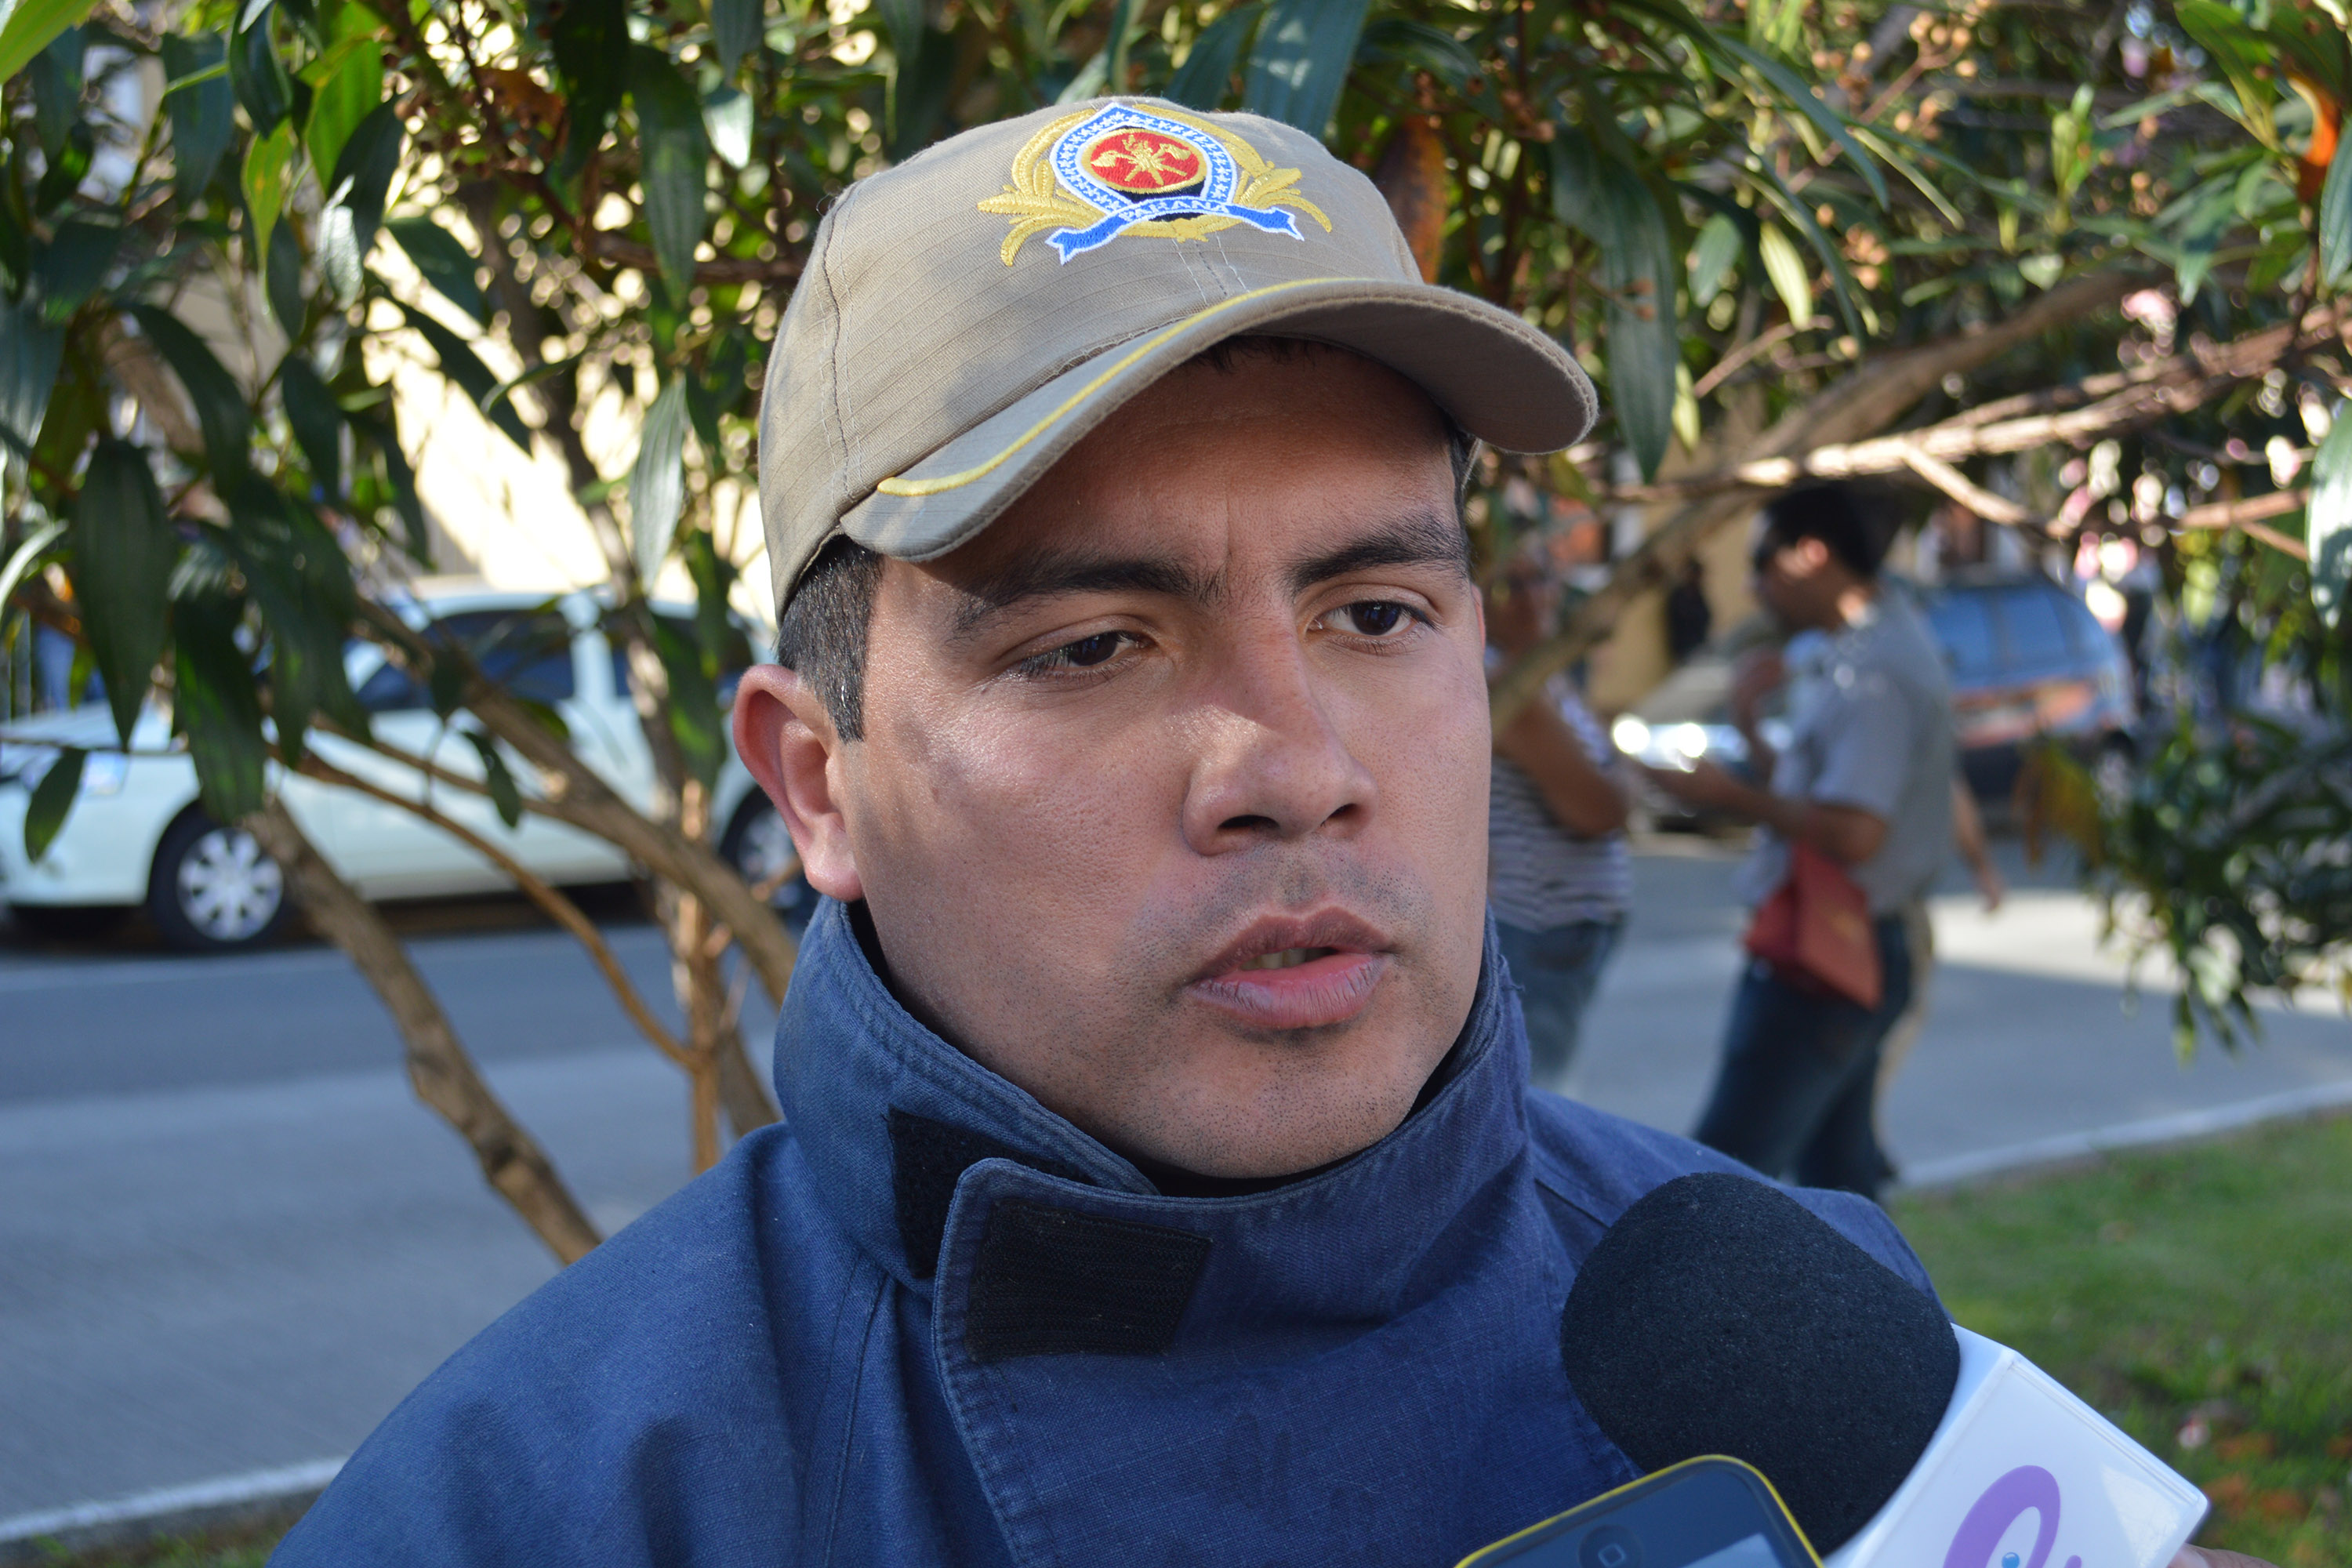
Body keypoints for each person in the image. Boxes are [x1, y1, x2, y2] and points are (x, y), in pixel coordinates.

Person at [266, 106, 2256, 1568]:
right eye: (1090, 645)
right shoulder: (538, 1506)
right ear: (817, 784)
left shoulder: (1812, 1356)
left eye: (1374, 612)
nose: (1293, 766)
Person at [1644, 485, 1955, 1202]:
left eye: (1761, 565)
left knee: (1723, 1183)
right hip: (1848, 944)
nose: (1753, 590)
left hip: (1829, 954)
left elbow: (1854, 832)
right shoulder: (1866, 645)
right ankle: (1868, 1282)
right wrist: (1751, 728)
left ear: (1811, 555)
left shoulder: (1876, 668)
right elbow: (1828, 796)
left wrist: (1726, 796)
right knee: (1838, 1186)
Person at [1486, 563, 1633, 1086]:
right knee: (1533, 1096)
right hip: (1539, 931)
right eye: (1509, 587)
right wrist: (1624, 784)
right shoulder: (1507, 684)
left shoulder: (1541, 672)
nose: (1533, 600)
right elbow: (1601, 807)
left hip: (1555, 932)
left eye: (1542, 579)